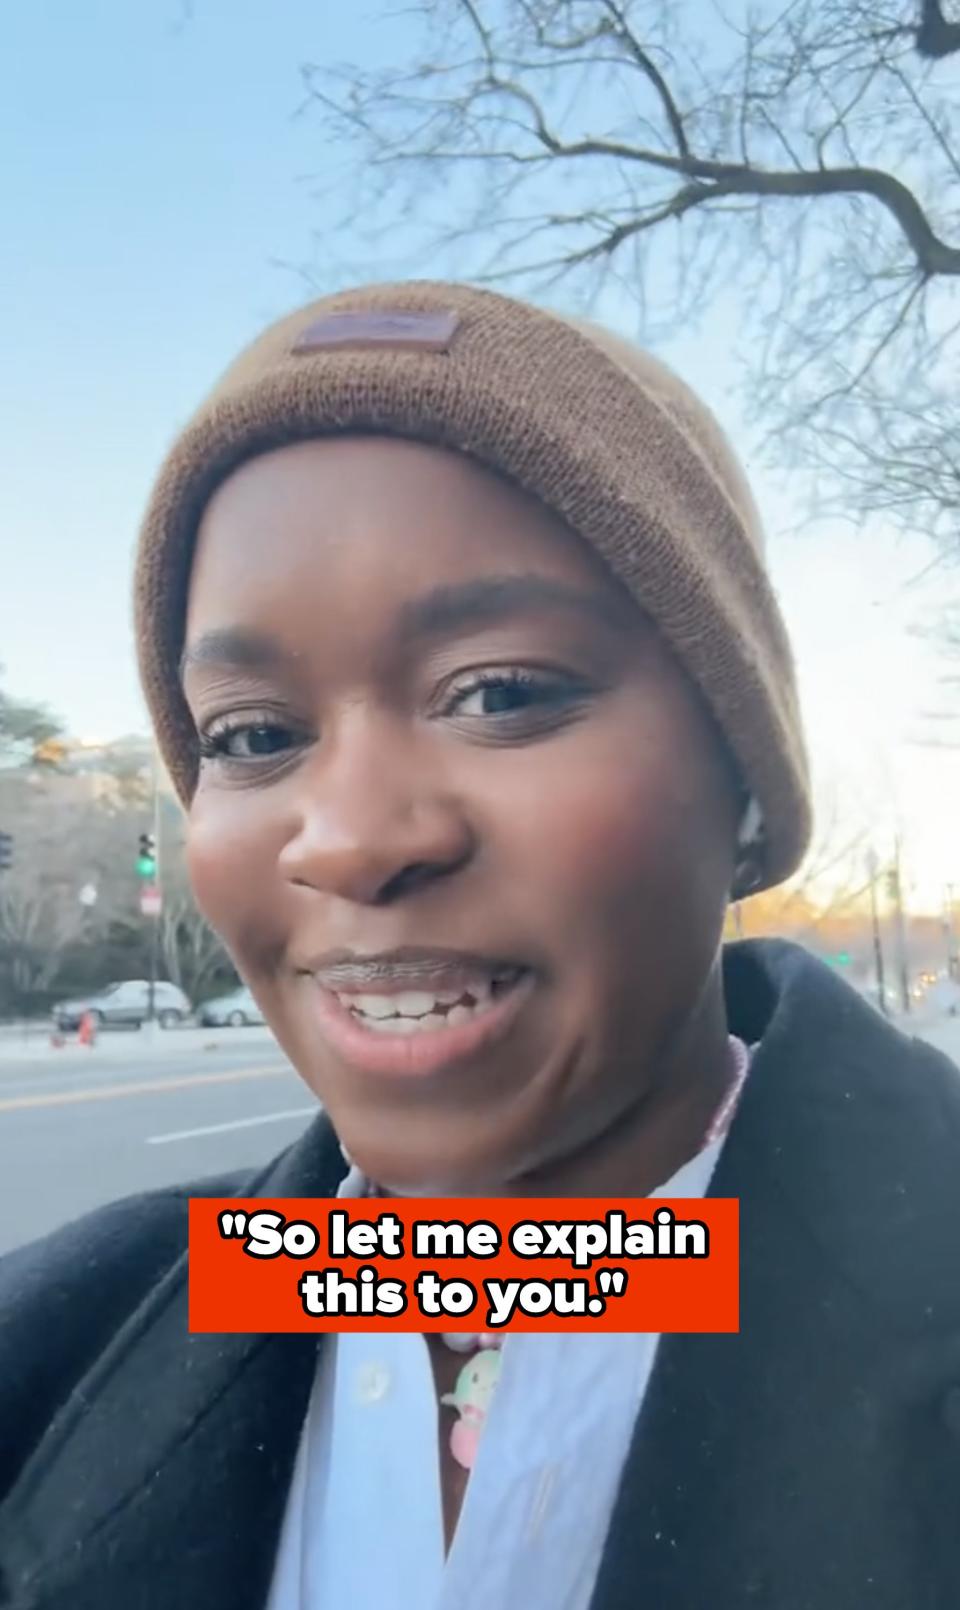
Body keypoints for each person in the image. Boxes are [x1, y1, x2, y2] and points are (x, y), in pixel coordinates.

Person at [1, 282, 959, 1610]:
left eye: (500, 691)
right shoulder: (48, 1350)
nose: (346, 839)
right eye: (253, 734)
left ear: (743, 784)